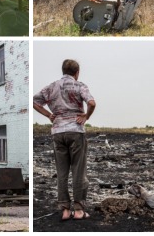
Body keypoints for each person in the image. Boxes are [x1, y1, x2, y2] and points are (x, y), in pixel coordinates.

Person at [33, 59, 96, 221]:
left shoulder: (52, 86)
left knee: (62, 173)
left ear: (63, 71)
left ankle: (65, 210)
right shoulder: (79, 85)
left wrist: (48, 115)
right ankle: (79, 210)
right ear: (77, 72)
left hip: (58, 132)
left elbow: (34, 101)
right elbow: (92, 103)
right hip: (75, 131)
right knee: (78, 172)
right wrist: (86, 116)